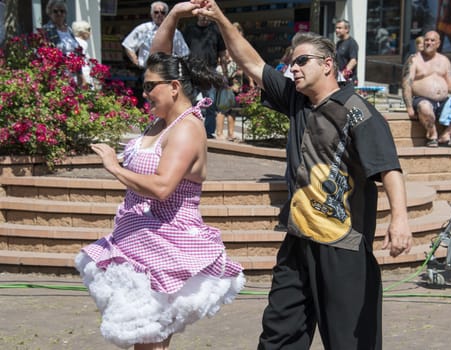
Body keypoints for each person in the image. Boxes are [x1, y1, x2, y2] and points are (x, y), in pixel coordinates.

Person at [154, 2, 413, 349]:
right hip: (298, 244)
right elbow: (251, 62)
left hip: (343, 249)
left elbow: (388, 168)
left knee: (351, 342)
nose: (293, 68)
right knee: (279, 335)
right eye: (291, 62)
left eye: (301, 61)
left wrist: (400, 220)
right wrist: (218, 18)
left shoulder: (357, 112)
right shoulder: (297, 100)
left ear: (327, 64)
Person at [75, 51, 245, 349]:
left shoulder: (186, 129)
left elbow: (163, 186)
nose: (145, 92)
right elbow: (158, 51)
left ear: (174, 87)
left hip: (167, 244)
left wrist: (115, 168)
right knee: (147, 339)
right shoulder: (165, 120)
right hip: (138, 239)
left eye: (151, 85)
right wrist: (176, 13)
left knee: (149, 340)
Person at [402, 30, 451, 148]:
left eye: (432, 40)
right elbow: (406, 84)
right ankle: (432, 136)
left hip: (443, 102)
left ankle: (446, 135)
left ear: (438, 43)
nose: (428, 43)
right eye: (426, 40)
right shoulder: (414, 60)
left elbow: (450, 84)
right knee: (425, 107)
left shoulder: (444, 60)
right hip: (422, 100)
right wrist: (409, 107)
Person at [182, 12, 228, 138]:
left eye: (206, 14)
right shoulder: (189, 30)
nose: (204, 16)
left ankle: (208, 132)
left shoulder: (216, 30)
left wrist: (225, 73)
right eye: (201, 14)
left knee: (211, 103)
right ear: (197, 15)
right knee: (187, 102)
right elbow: (181, 50)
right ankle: (188, 129)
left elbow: (222, 53)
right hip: (191, 71)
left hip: (210, 71)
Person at [122, 1, 190, 70]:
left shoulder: (175, 32)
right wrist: (137, 63)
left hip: (167, 71)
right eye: (156, 12)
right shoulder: (143, 29)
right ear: (151, 14)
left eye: (163, 12)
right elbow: (128, 45)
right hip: (147, 69)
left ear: (166, 15)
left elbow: (184, 53)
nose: (159, 14)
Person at [41, 0, 85, 85]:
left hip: (73, 75)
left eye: (62, 11)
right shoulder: (46, 30)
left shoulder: (69, 30)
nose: (59, 14)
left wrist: (80, 75)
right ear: (50, 13)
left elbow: (77, 52)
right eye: (55, 11)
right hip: (58, 75)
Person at [335, 19, 358, 86]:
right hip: (339, 80)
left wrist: (342, 76)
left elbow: (353, 61)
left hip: (348, 81)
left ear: (347, 29)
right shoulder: (339, 43)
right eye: (336, 28)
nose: (336, 30)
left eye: (339, 28)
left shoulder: (352, 43)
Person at [72, 20, 93, 86]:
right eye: (88, 30)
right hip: (82, 75)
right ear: (82, 32)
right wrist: (83, 79)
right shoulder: (82, 43)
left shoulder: (73, 41)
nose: (90, 33)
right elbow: (78, 60)